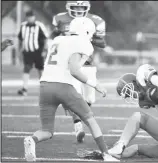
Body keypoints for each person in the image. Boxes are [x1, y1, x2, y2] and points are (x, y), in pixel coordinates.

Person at [23, 17, 118, 162]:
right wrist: (95, 84)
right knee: (90, 119)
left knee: (47, 131)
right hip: (63, 86)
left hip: (44, 86)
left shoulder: (58, 39)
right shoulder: (82, 43)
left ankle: (32, 139)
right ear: (86, 31)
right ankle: (106, 154)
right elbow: (74, 70)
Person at [51, 1, 106, 143]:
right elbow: (53, 38)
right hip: (70, 64)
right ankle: (77, 125)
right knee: (73, 96)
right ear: (69, 7)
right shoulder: (60, 19)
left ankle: (79, 118)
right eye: (76, 7)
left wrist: (88, 37)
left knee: (89, 100)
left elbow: (102, 43)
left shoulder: (95, 21)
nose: (79, 10)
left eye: (81, 7)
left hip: (88, 64)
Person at [17, 10, 49, 96]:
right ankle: (24, 88)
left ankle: (44, 89)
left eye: (32, 16)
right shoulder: (23, 26)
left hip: (38, 51)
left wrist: (45, 50)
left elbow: (46, 38)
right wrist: (19, 50)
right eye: (29, 17)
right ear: (26, 17)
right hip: (27, 52)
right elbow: (20, 39)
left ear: (34, 17)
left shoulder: (39, 25)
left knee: (40, 69)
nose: (30, 18)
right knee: (26, 68)